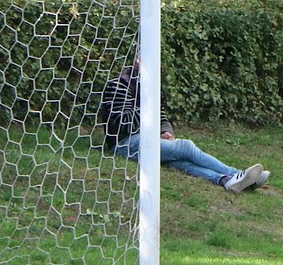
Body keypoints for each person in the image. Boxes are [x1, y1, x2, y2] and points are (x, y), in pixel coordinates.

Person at [98, 53, 269, 192]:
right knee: (185, 147)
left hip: (147, 139)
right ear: (137, 60)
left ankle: (226, 180)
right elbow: (121, 123)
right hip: (124, 144)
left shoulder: (151, 85)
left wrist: (165, 131)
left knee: (180, 163)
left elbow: (160, 115)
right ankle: (238, 174)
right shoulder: (120, 84)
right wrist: (147, 105)